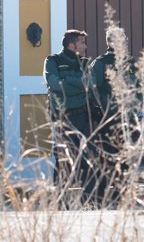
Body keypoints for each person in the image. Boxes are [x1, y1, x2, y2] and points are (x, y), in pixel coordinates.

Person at [87, 26, 137, 207]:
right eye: (121, 39)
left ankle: (124, 196)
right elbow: (92, 90)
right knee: (108, 159)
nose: (124, 42)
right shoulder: (100, 63)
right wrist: (104, 110)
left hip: (129, 119)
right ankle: (105, 198)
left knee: (127, 159)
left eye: (125, 39)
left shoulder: (129, 62)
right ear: (110, 42)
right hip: (108, 119)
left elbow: (136, 88)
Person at [43, 29, 91, 207]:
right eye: (82, 43)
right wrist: (76, 83)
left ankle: (86, 201)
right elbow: (53, 84)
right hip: (60, 117)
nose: (85, 46)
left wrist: (68, 81)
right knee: (63, 159)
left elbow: (88, 84)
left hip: (81, 115)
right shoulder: (52, 61)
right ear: (72, 44)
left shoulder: (85, 62)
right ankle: (60, 202)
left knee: (85, 159)